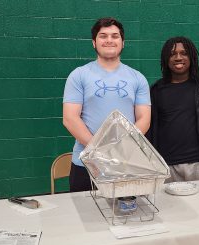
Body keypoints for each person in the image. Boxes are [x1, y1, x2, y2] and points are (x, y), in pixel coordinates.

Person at [63, 17, 151, 192]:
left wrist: (119, 150)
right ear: (94, 42)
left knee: (125, 214)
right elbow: (70, 119)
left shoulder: (137, 78)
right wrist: (101, 152)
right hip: (86, 164)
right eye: (103, 36)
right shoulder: (79, 75)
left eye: (115, 36)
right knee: (85, 216)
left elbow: (144, 119)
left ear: (123, 42)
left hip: (126, 163)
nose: (109, 40)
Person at [146, 36, 199, 182]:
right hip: (166, 166)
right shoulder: (156, 91)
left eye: (184, 53)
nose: (178, 57)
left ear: (192, 57)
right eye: (172, 54)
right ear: (165, 59)